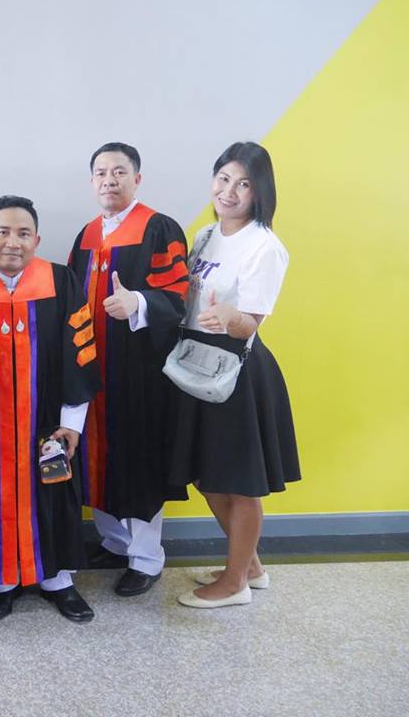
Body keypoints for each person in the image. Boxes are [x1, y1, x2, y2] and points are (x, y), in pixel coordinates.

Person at [0, 195, 99, 623]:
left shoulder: (60, 282)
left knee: (54, 487)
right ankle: (1, 582)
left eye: (24, 233)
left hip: (46, 421)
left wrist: (72, 423)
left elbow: (80, 354)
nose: (13, 242)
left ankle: (58, 581)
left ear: (37, 240)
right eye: (3, 232)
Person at [171, 142, 301, 608]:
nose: (229, 191)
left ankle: (234, 583)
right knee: (208, 476)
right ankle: (250, 566)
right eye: (224, 178)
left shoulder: (264, 246)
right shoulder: (206, 235)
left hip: (235, 370)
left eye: (243, 184)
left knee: (239, 481)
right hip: (196, 364)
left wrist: (230, 316)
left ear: (259, 191)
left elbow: (251, 324)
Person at [67, 142, 189, 597]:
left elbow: (178, 294)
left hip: (139, 372)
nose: (109, 180)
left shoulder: (158, 228)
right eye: (101, 172)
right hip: (93, 367)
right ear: (92, 181)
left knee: (136, 460)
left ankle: (146, 557)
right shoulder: (86, 235)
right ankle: (115, 543)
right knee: (95, 456)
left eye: (119, 171)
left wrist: (137, 302)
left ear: (137, 179)